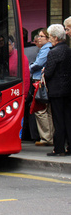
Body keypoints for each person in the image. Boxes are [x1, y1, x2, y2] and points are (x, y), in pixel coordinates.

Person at [42, 24, 71, 156]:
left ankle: (58, 148)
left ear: (55, 38)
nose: (49, 39)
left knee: (58, 120)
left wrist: (44, 71)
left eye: (50, 37)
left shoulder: (53, 52)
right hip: (68, 90)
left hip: (56, 91)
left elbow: (48, 73)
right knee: (68, 119)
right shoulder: (69, 50)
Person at [28, 28, 53, 146]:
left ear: (47, 38)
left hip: (39, 81)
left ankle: (46, 138)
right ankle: (49, 136)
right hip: (43, 81)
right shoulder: (47, 48)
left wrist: (28, 68)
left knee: (41, 110)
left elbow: (38, 64)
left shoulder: (46, 49)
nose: (38, 38)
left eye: (41, 36)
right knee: (47, 110)